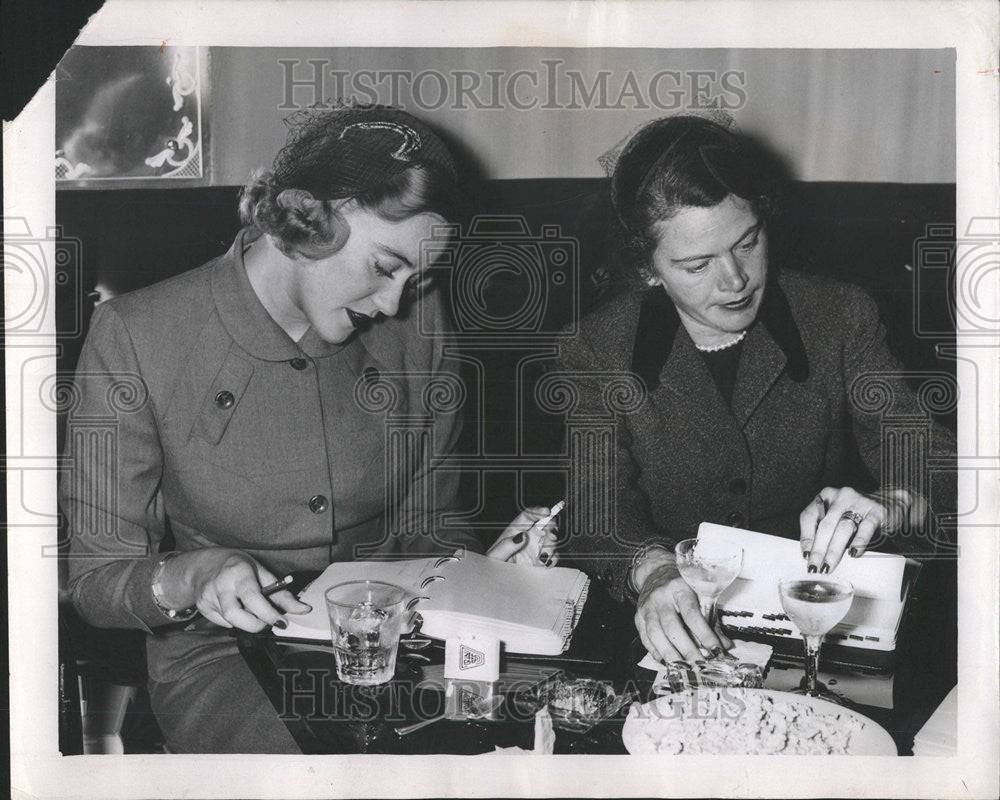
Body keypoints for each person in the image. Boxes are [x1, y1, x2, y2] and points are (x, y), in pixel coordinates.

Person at [61, 105, 556, 753]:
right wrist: (193, 575)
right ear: (304, 219)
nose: (394, 303)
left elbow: (434, 523)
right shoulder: (136, 335)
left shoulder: (420, 322)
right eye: (385, 266)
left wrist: (476, 572)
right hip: (228, 656)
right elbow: (97, 578)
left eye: (418, 276)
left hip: (396, 642)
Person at [554, 115, 956, 665]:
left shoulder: (840, 317)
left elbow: (941, 469)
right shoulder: (598, 347)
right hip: (671, 628)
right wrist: (653, 570)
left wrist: (898, 502)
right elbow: (597, 509)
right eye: (697, 264)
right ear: (649, 269)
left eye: (747, 242)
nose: (735, 280)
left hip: (815, 619)